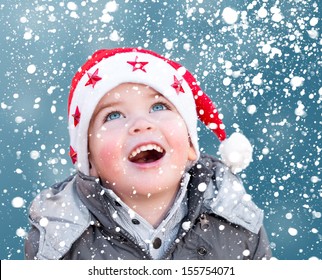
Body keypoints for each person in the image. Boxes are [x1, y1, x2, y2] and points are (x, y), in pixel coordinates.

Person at [25, 47, 272, 260]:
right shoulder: (59, 242)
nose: (142, 124)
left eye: (158, 106)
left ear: (189, 146)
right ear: (89, 160)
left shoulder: (237, 222)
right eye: (113, 115)